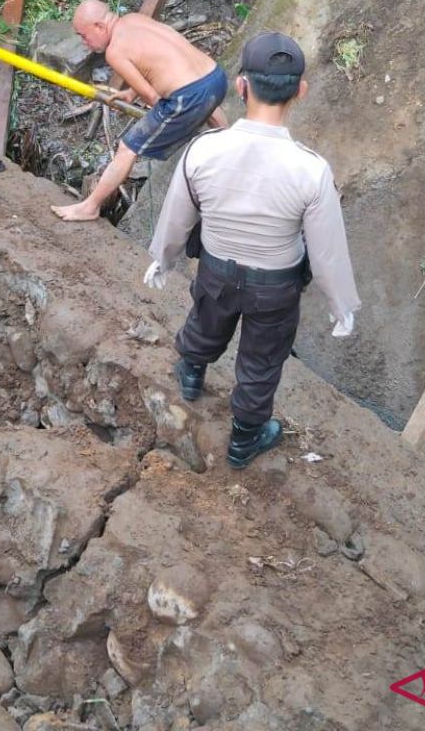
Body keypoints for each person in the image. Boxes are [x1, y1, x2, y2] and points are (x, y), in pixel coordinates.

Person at [143, 31, 361, 469]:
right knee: (261, 362)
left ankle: (190, 375)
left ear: (241, 87)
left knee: (205, 324)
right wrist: (341, 305)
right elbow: (326, 254)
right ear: (300, 91)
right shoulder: (311, 170)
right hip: (276, 286)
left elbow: (177, 218)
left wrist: (162, 260)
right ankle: (244, 440)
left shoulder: (203, 150)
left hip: (217, 270)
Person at [50, 0, 229, 222]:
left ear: (99, 26)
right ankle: (235, 150)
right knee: (209, 106)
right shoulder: (134, 19)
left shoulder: (114, 51)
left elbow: (152, 96)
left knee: (127, 148)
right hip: (216, 78)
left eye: (83, 35)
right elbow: (152, 58)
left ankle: (90, 206)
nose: (84, 42)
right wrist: (130, 93)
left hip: (188, 96)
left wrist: (162, 120)